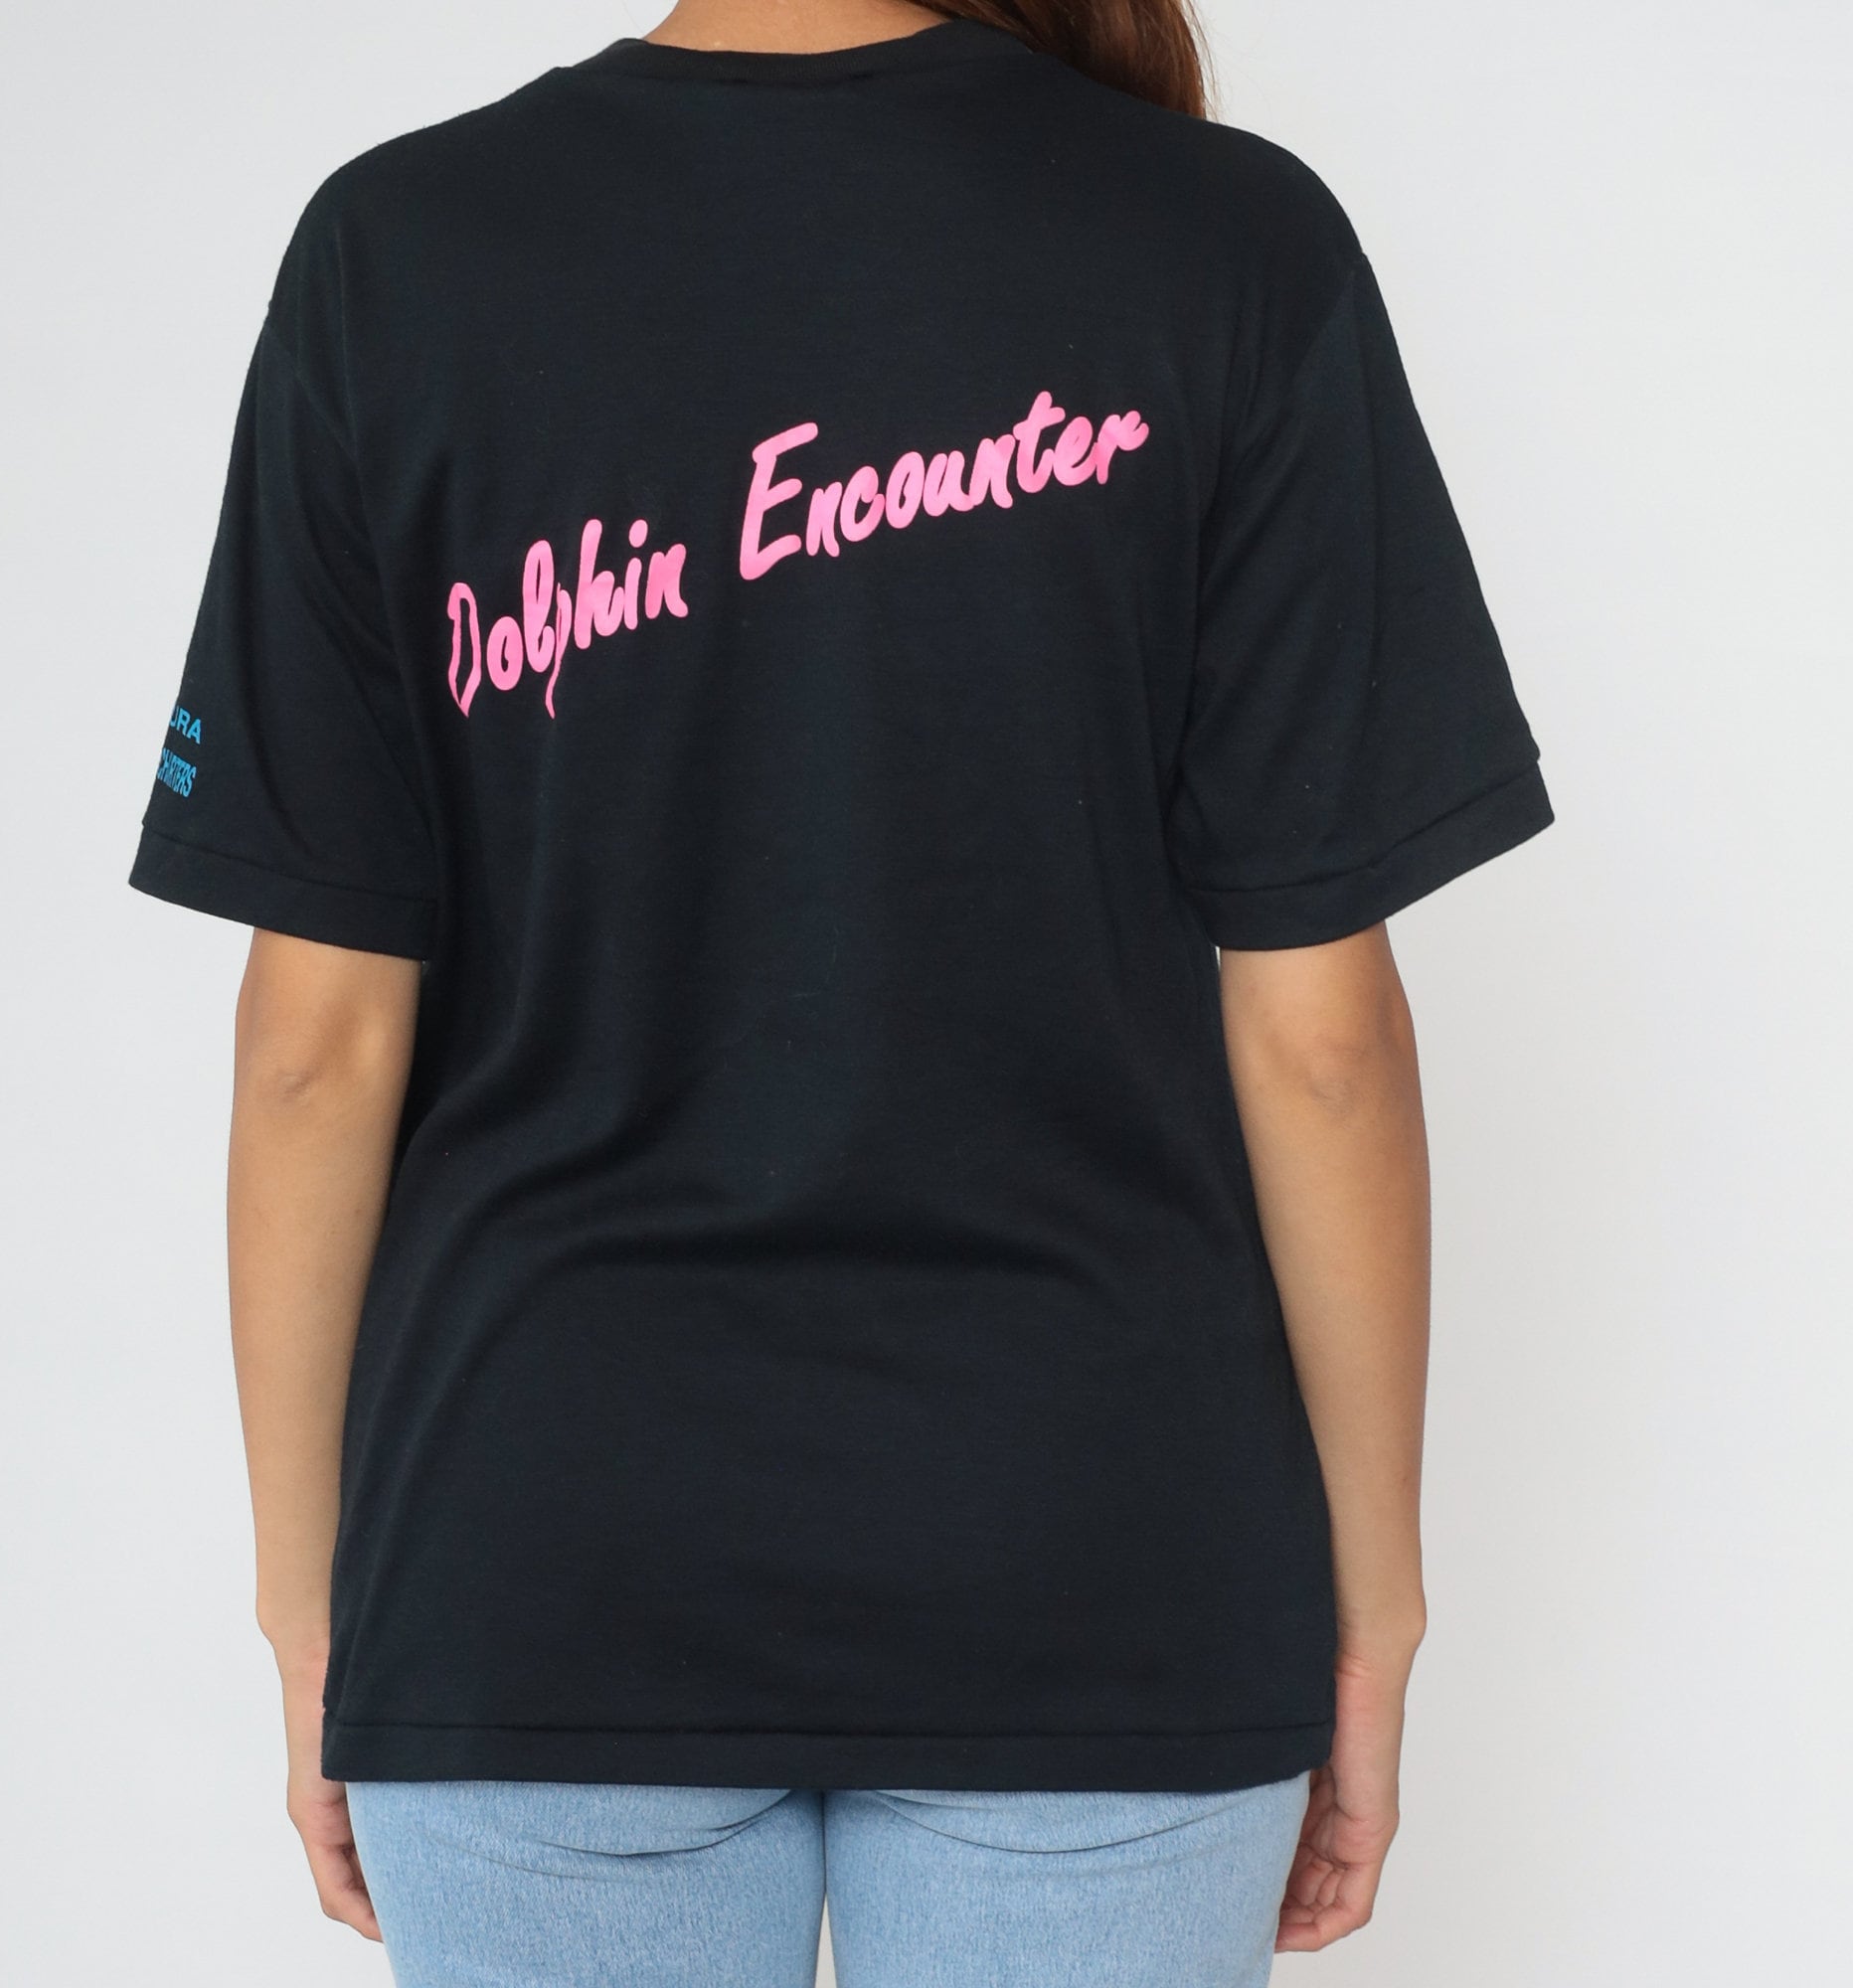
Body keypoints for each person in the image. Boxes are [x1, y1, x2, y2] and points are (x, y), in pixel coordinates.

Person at [127, 0, 1554, 1980]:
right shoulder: (1227, 248)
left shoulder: (405, 251)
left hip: (540, 1552)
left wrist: (312, 1612)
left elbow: (313, 1045)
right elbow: (1320, 1040)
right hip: (1098, 1547)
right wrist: (1373, 1610)